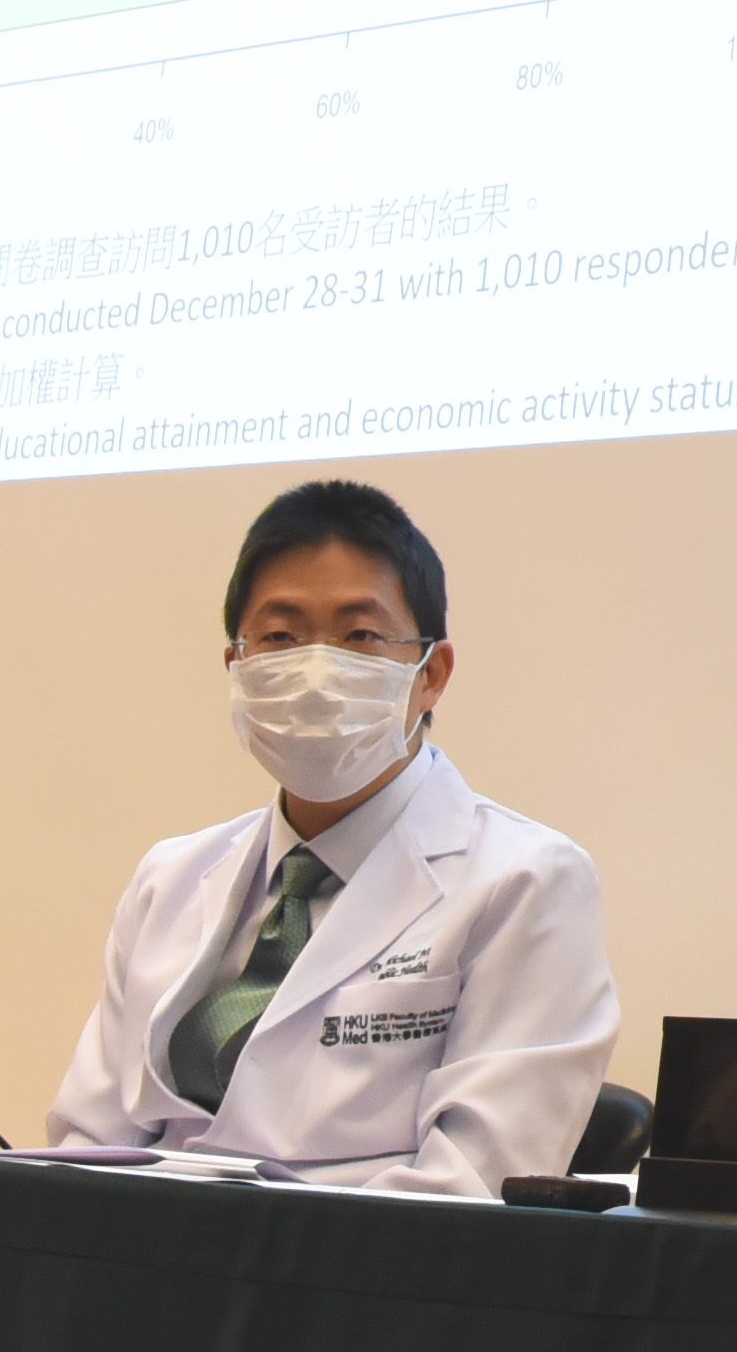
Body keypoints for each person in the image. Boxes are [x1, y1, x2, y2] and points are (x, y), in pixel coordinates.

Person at [45, 477, 620, 1195]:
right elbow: (84, 1144)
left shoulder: (527, 880)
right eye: (281, 636)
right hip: (143, 1274)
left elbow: (476, 1182)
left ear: (431, 673)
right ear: (238, 666)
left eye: (359, 635)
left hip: (357, 1286)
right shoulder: (170, 876)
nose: (316, 674)